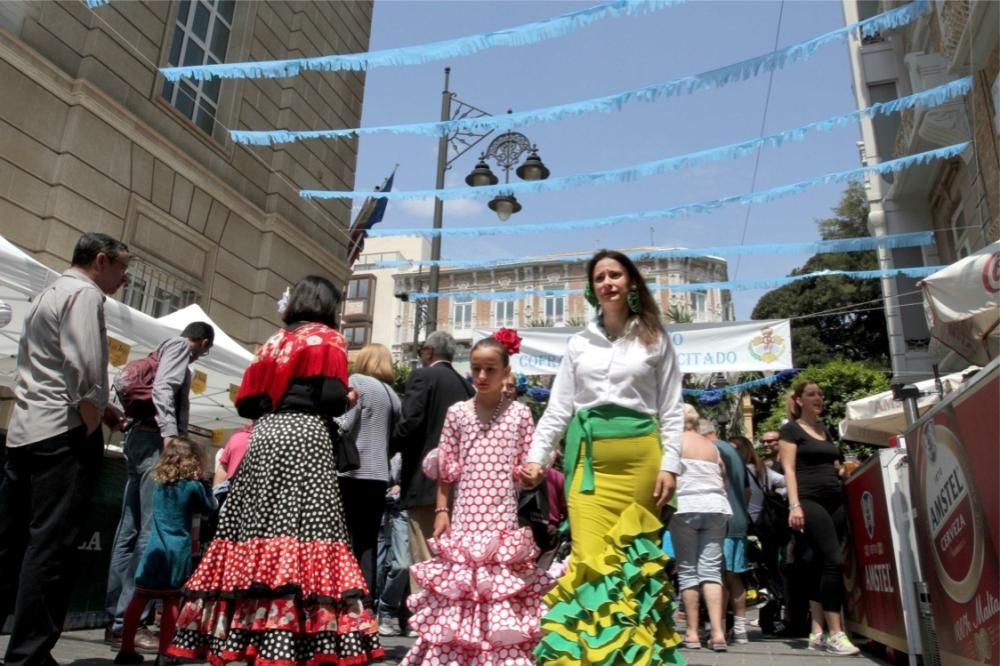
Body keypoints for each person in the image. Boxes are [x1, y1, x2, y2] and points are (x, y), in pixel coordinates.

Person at [168, 276, 382, 665]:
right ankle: (291, 636)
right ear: (328, 305)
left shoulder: (272, 341)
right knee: (308, 526)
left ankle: (241, 631)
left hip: (264, 435)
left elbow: (246, 404)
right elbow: (333, 398)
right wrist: (347, 398)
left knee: (253, 526)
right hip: (305, 438)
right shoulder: (327, 339)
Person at [521, 249, 685, 664]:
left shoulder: (656, 339)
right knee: (592, 564)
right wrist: (537, 458)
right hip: (589, 468)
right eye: (600, 278)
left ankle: (635, 658)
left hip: (641, 463)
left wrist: (670, 465)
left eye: (615, 275)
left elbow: (671, 409)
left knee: (633, 568)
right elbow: (559, 407)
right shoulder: (579, 342)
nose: (608, 282)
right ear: (591, 288)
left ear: (631, 283)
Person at [0, 232, 129, 666]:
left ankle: (27, 647)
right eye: (121, 268)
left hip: (26, 431)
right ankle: (29, 652)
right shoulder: (84, 295)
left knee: (15, 541)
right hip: (63, 433)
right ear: (100, 261)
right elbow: (86, 366)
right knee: (51, 547)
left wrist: (101, 409)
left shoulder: (48, 292)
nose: (124, 279)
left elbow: (42, 364)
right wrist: (93, 419)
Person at [401, 335, 553, 665]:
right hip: (466, 518)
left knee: (498, 592)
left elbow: (532, 462)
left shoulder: (519, 415)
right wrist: (442, 509)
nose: (482, 376)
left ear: (505, 372)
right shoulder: (458, 413)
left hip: (501, 521)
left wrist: (533, 474)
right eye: (476, 369)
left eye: (490, 369)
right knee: (462, 592)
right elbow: (447, 466)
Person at [106, 322, 215, 647]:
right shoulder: (181, 348)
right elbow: (163, 389)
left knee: (129, 530)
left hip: (138, 437)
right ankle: (131, 621)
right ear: (204, 343)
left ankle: (115, 616)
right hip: (154, 439)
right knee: (147, 533)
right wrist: (170, 433)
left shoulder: (160, 349)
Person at [114, 438, 215, 666]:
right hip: (177, 550)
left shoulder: (159, 482)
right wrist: (206, 483)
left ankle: (126, 649)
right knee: (171, 602)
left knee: (139, 598)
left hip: (153, 548)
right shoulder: (193, 486)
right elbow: (210, 507)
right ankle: (165, 653)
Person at [779, 379, 859, 656]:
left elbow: (834, 463)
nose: (819, 398)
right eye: (812, 394)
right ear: (799, 400)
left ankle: (817, 632)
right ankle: (837, 632)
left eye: (821, 394)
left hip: (834, 498)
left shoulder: (824, 431)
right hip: (810, 499)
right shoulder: (790, 430)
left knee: (817, 562)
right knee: (834, 560)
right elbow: (789, 470)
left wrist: (842, 471)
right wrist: (795, 505)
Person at [391, 330, 474, 589]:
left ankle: (426, 615)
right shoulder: (466, 386)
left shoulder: (422, 377)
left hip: (424, 481)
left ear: (429, 352)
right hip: (458, 486)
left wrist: (388, 447)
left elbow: (410, 423)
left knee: (424, 552)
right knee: (450, 554)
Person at [333, 343, 401, 607]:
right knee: (369, 541)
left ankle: (342, 598)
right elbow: (396, 438)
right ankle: (365, 601)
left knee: (343, 537)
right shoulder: (393, 396)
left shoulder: (357, 382)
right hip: (378, 475)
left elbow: (345, 423)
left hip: (351, 472)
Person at [672, 404, 731, 652]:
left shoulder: (673, 444)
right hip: (716, 507)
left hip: (684, 507)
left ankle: (693, 633)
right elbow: (723, 479)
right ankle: (718, 633)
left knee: (687, 571)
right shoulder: (712, 447)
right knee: (711, 571)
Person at [697, 419, 752, 645]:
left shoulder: (713, 450)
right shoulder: (734, 451)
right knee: (734, 576)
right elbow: (747, 491)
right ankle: (740, 629)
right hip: (738, 519)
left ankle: (717, 628)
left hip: (721, 520)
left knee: (717, 576)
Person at [375, 453, 410, 637]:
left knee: (419, 567)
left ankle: (409, 614)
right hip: (399, 510)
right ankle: (387, 609)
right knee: (401, 565)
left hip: (424, 507)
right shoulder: (397, 455)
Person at [210, 422, 252, 507]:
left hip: (230, 498)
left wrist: (216, 496)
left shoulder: (237, 438)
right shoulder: (274, 438)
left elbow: (222, 470)